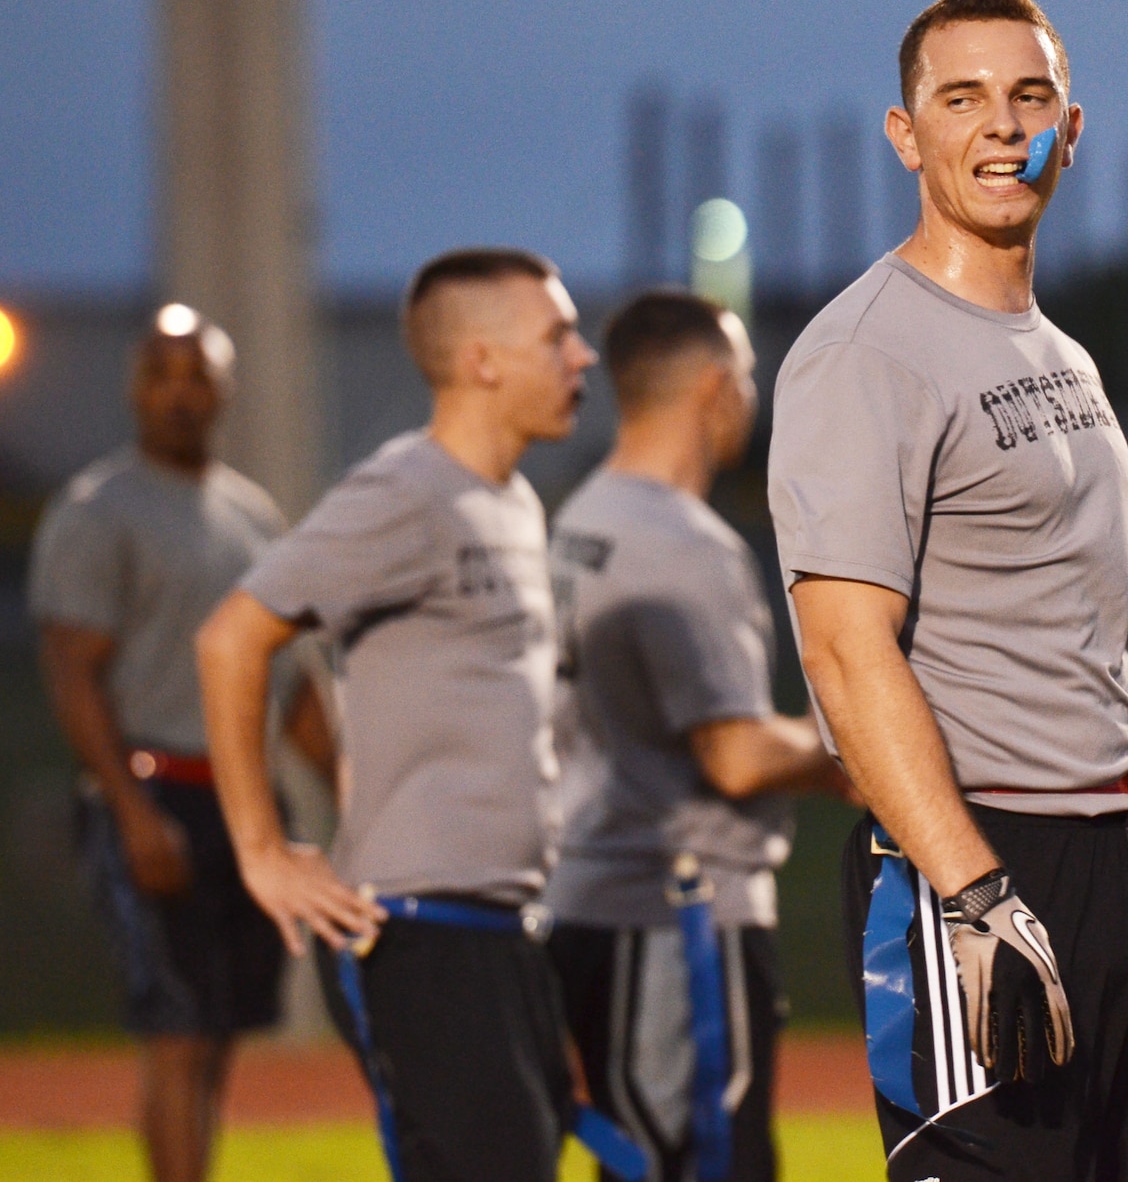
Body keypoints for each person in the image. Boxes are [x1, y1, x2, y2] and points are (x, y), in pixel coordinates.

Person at [767, 0, 1128, 1182]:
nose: (1002, 126)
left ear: (1070, 123)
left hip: (1103, 847)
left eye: (1028, 95)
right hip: (978, 857)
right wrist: (973, 892)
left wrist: (1116, 887)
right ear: (905, 135)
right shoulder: (864, 352)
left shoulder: (1057, 348)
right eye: (962, 99)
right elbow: (847, 651)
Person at [195, 247, 597, 1182]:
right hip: (421, 931)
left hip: (502, 928)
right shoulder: (404, 489)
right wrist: (261, 848)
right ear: (482, 360)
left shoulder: (516, 501)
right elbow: (231, 639)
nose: (581, 357)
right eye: (558, 335)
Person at [543, 289, 853, 1182]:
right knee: (705, 1164)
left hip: (594, 896)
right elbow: (736, 755)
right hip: (678, 913)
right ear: (717, 388)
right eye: (749, 375)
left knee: (640, 1161)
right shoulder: (684, 543)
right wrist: (852, 752)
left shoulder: (583, 518)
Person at [29, 304, 333, 1182]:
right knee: (178, 1031)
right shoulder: (99, 508)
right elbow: (73, 670)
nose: (179, 392)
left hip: (244, 797)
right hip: (154, 791)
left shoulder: (253, 512)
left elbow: (291, 680)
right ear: (134, 390)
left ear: (224, 390)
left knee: (224, 1029)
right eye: (161, 375)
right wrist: (129, 809)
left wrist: (352, 786)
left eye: (197, 374)